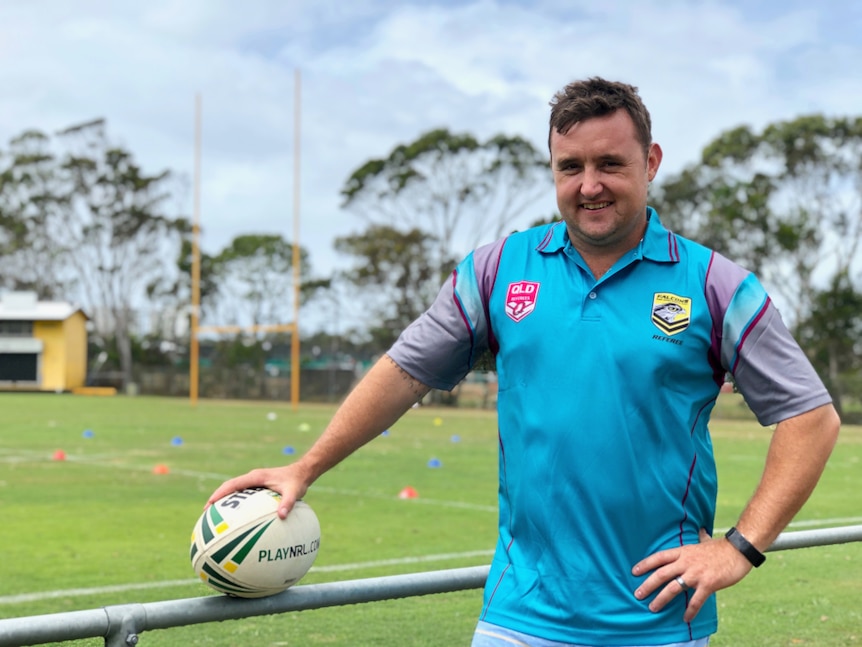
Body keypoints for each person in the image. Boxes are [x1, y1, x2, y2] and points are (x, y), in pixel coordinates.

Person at [208, 77, 840, 646]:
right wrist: (306, 467)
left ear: (650, 163)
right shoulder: (497, 271)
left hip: (657, 622)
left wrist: (739, 549)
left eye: (610, 164)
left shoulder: (714, 284)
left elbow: (811, 417)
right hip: (521, 617)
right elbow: (405, 372)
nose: (588, 185)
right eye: (571, 167)